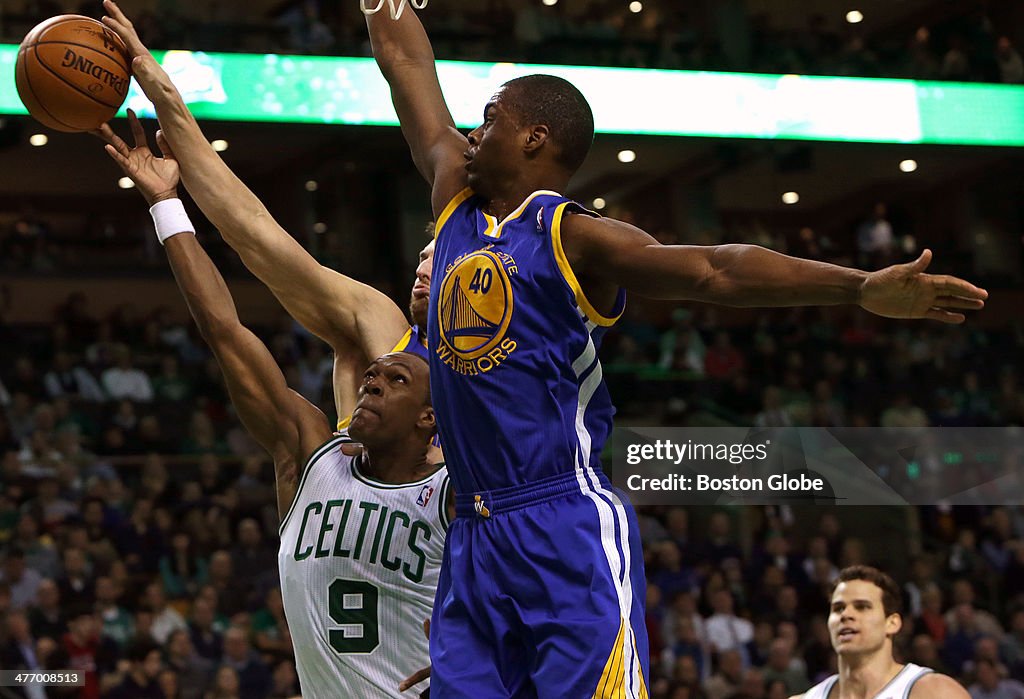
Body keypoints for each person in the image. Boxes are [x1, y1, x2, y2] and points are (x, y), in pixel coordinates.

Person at [359, 5, 989, 698]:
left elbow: (715, 270)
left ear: (535, 136)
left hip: (560, 523)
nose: (472, 132)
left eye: (491, 117)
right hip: (473, 531)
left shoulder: (570, 234)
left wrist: (859, 285)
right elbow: (407, 63)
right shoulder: (453, 196)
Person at [97, 111, 451, 698]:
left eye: (393, 380)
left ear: (430, 418)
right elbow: (225, 331)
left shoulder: (454, 494)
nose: (370, 382)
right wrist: (165, 204)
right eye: (372, 375)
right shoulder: (312, 456)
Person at [97, 0, 436, 449]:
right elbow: (252, 230)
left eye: (439, 261)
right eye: (423, 255)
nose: (422, 269)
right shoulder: (386, 332)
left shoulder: (501, 375)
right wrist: (159, 89)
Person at [790, 566, 970, 699]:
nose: (846, 615)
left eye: (862, 607)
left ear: (892, 623)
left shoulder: (935, 693)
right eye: (838, 608)